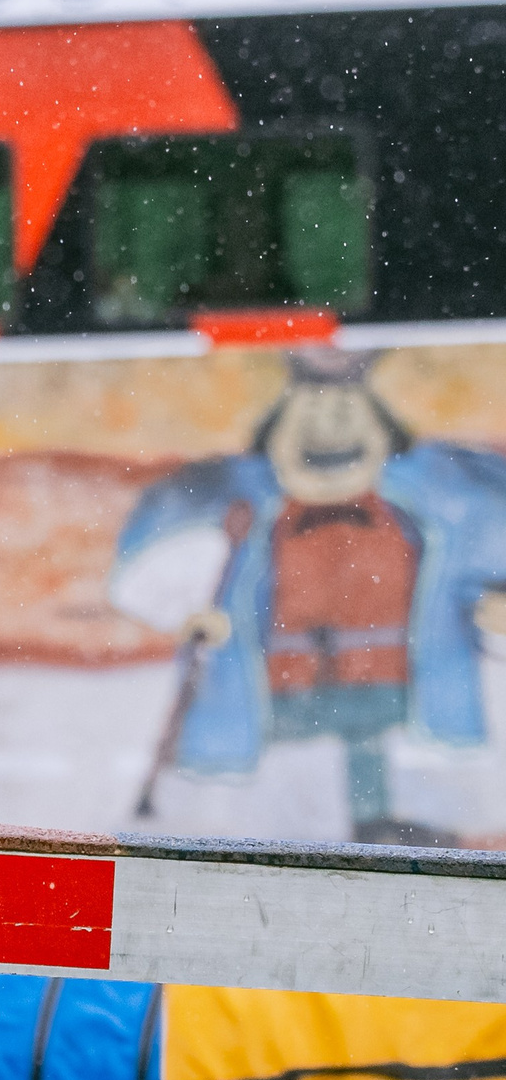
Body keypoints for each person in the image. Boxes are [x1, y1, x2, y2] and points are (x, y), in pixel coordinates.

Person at [110, 348, 506, 846]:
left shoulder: (438, 508)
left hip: (387, 684)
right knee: (291, 786)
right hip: (283, 691)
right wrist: (190, 606)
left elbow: (484, 555)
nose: (328, 434)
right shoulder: (239, 509)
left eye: (343, 414)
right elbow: (159, 568)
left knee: (371, 761)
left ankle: (379, 830)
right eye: (312, 413)